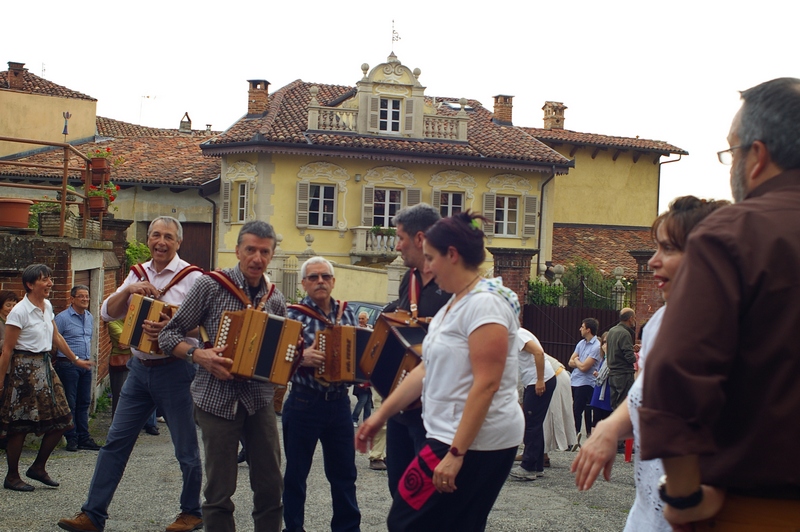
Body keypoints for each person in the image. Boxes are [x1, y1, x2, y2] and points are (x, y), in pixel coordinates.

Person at [639, 78, 800, 529]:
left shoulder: (735, 234)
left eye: (732, 151)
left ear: (757, 156)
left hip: (761, 508)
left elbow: (675, 372)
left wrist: (685, 497)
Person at [356, 211, 522, 531]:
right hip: (451, 436)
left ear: (453, 255)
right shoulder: (455, 304)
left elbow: (487, 383)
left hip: (475, 442)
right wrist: (379, 416)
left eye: (431, 258)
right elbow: (424, 370)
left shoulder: (485, 304)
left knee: (408, 520)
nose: (427, 267)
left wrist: (457, 453)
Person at [571, 196, 729, 531]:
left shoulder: (734, 330)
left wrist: (687, 499)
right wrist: (609, 428)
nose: (654, 261)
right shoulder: (660, 323)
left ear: (709, 255)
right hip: (646, 513)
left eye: (669, 249)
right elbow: (645, 395)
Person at [58, 217, 203, 532]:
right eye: (155, 235)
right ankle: (93, 515)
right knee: (115, 443)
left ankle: (192, 513)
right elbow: (108, 311)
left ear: (178, 242)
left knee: (185, 447)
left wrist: (172, 324)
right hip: (139, 369)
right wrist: (131, 289)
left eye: (167, 236)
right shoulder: (137, 273)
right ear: (148, 239)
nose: (160, 241)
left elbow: (205, 325)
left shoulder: (193, 278)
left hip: (175, 369)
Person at [159, 220, 285, 532]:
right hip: (216, 399)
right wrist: (198, 355)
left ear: (271, 256)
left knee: (271, 486)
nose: (257, 258)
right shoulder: (210, 285)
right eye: (251, 250)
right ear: (238, 250)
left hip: (258, 400)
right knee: (219, 491)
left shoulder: (275, 298)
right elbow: (167, 335)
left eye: (264, 252)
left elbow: (281, 350)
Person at [283, 256, 360, 532]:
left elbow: (359, 350)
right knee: (295, 474)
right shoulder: (292, 314)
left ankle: (347, 528)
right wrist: (300, 357)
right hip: (304, 401)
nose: (320, 282)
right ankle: (293, 528)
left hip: (339, 403)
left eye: (325, 277)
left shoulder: (347, 312)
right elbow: (276, 356)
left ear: (333, 281)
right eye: (313, 277)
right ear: (304, 283)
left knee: (344, 475)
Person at [0, 264, 92, 492]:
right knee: (19, 426)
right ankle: (12, 476)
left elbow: (56, 336)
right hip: (23, 371)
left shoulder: (47, 306)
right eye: (44, 280)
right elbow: (7, 350)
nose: (50, 283)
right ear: (30, 284)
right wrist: (0, 380)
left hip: (45, 366)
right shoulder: (19, 312)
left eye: (50, 278)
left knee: (64, 420)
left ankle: (38, 467)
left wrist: (75, 359)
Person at [381, 203, 451, 495]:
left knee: (430, 495)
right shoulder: (408, 279)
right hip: (404, 405)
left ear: (420, 238)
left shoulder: (453, 282)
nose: (397, 246)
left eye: (400, 238)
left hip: (436, 411)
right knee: (399, 489)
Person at [54, 285, 101, 452]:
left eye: (87, 296)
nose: (85, 299)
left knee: (84, 402)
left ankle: (84, 437)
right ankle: (71, 438)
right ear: (72, 299)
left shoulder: (89, 317)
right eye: (81, 296)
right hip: (68, 366)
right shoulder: (62, 318)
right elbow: (54, 340)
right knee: (70, 402)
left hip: (85, 365)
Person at [509, 328, 556, 480]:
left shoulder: (518, 335)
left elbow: (539, 352)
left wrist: (540, 379)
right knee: (535, 422)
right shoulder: (518, 333)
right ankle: (537, 465)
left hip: (539, 380)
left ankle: (528, 467)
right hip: (536, 380)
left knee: (530, 422)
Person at [568, 318, 601, 439]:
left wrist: (576, 360)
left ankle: (574, 435)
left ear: (588, 329)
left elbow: (584, 367)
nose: (580, 329)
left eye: (582, 327)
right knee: (573, 408)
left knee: (578, 409)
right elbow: (570, 362)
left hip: (586, 382)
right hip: (575, 380)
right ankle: (574, 434)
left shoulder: (596, 346)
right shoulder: (581, 343)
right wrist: (577, 362)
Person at [543, 353, 577, 461]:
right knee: (543, 417)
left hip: (555, 377)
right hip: (555, 375)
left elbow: (519, 382)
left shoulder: (514, 351)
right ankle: (538, 453)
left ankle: (542, 455)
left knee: (546, 417)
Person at [605, 308, 636, 410]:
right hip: (624, 374)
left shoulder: (612, 331)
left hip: (612, 373)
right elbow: (630, 358)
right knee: (623, 406)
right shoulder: (625, 333)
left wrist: (632, 348)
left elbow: (615, 349)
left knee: (614, 406)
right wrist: (637, 354)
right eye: (634, 318)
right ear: (630, 319)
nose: (635, 320)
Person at [105, 319, 130, 418]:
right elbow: (123, 339)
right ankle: (117, 426)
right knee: (120, 396)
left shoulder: (133, 322)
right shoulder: (113, 323)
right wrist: (136, 343)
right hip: (121, 365)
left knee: (131, 397)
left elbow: (142, 339)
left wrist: (129, 344)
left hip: (134, 363)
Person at [588, 333, 612, 429]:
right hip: (599, 391)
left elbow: (608, 368)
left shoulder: (610, 358)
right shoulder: (603, 358)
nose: (605, 345)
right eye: (604, 342)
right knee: (596, 420)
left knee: (607, 420)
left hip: (607, 392)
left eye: (607, 342)